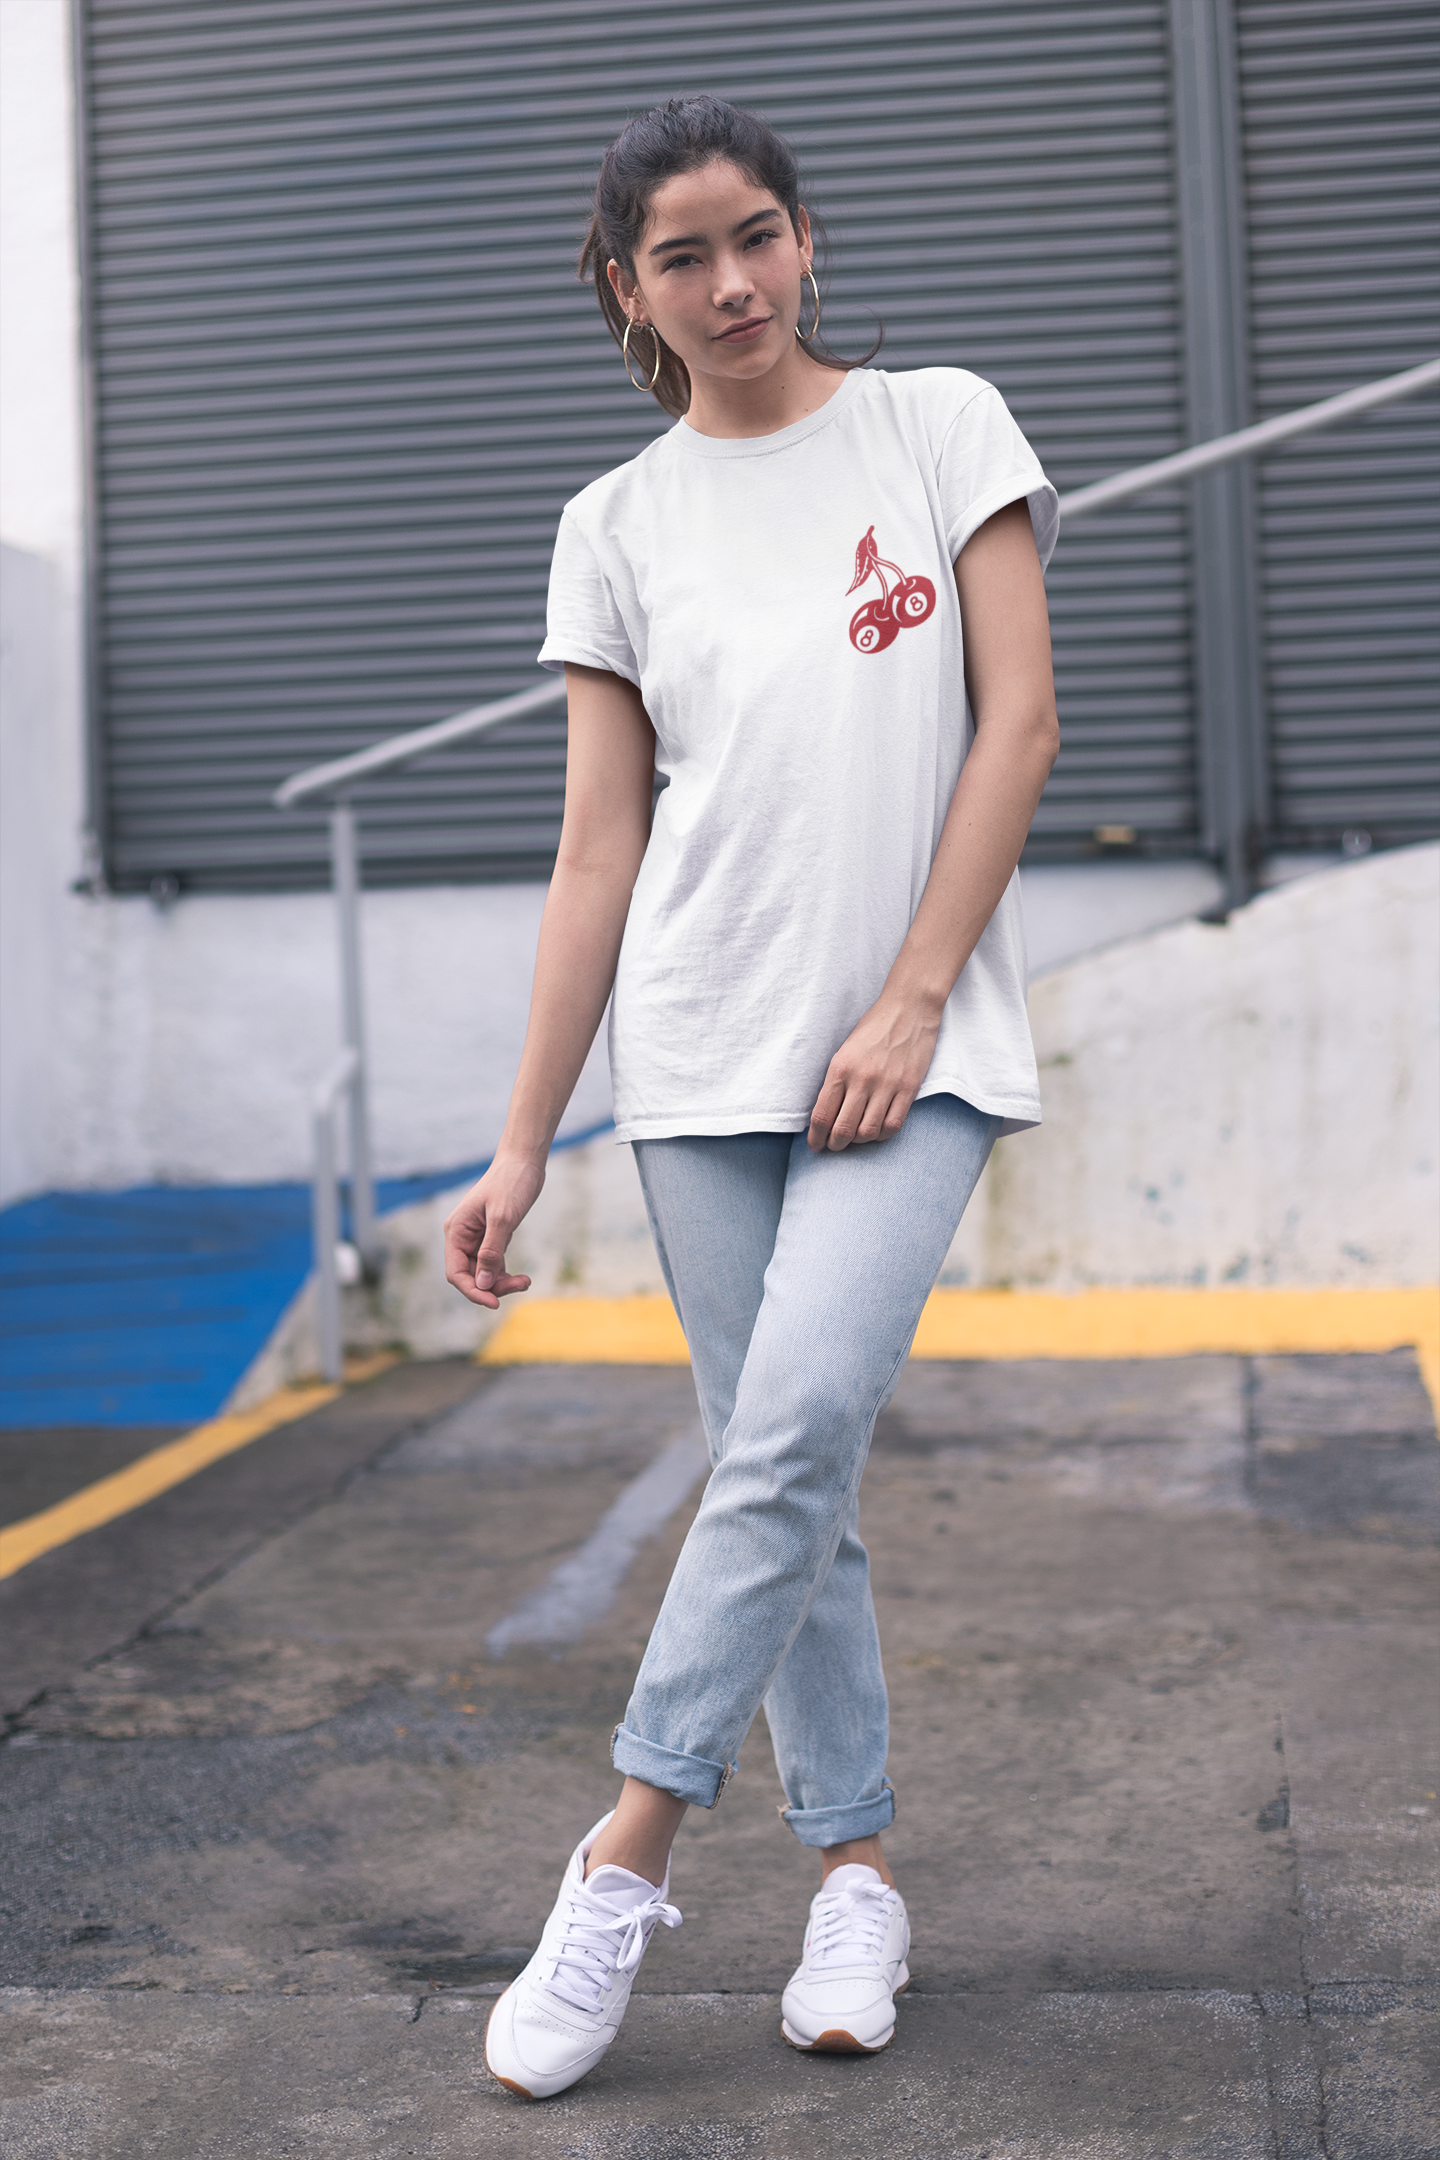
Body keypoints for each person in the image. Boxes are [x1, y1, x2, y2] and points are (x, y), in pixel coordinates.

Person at [444, 94, 1059, 2101]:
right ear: (625, 288)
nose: (734, 283)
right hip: (698, 1059)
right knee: (797, 1491)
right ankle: (856, 1875)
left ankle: (619, 1864)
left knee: (787, 1434)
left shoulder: (936, 424)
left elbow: (1019, 721)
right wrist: (530, 1132)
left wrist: (911, 992)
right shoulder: (614, 526)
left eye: (761, 236)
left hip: (915, 1042)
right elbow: (599, 853)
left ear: (806, 241)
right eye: (685, 256)